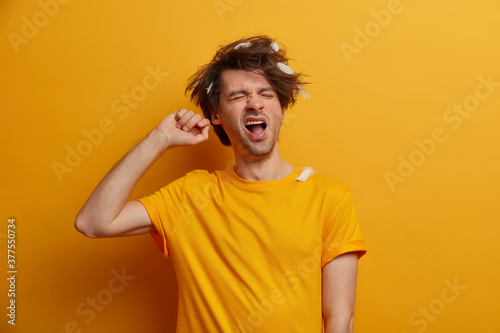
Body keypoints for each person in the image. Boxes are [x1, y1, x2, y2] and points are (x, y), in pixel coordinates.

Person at [75, 35, 367, 333]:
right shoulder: (190, 196)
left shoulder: (329, 197)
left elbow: (339, 319)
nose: (254, 103)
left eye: (266, 94)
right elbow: (93, 222)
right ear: (216, 115)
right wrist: (159, 139)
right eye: (238, 96)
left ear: (281, 107)